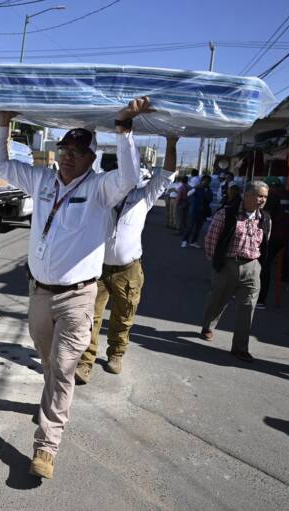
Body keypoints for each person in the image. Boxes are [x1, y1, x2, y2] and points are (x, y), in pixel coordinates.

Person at [0, 97, 153, 480]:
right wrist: (3, 121)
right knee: (48, 362)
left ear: (92, 158)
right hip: (39, 293)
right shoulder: (42, 179)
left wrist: (123, 127)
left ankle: (46, 446)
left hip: (78, 296)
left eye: (77, 152)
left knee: (62, 369)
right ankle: (52, 401)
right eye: (64, 150)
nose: (68, 157)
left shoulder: (100, 188)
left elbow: (128, 179)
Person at [75, 137, 178, 384]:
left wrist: (172, 142)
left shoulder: (143, 196)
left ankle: (116, 354)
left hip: (127, 270)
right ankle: (85, 362)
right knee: (90, 317)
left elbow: (167, 174)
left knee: (124, 316)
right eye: (116, 174)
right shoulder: (99, 196)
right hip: (96, 269)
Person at [200, 181, 271, 362]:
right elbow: (211, 240)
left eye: (265, 197)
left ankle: (240, 347)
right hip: (227, 265)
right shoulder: (226, 214)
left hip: (252, 267)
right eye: (259, 196)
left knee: (247, 307)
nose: (262, 200)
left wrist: (259, 266)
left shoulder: (265, 219)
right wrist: (216, 264)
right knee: (218, 299)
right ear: (247, 195)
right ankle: (208, 326)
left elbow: (265, 243)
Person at [257, 177, 289, 306]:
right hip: (285, 237)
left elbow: (264, 217)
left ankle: (260, 299)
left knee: (263, 266)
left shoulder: (273, 196)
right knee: (263, 265)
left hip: (271, 236)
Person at [181, 175, 213, 248]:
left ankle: (193, 241)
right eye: (204, 180)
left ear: (209, 182)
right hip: (194, 211)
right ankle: (184, 241)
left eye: (207, 181)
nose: (206, 182)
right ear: (202, 181)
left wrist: (206, 195)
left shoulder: (209, 190)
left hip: (203, 212)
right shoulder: (197, 188)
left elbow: (210, 200)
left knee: (198, 228)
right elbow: (188, 194)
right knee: (190, 227)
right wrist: (195, 188)